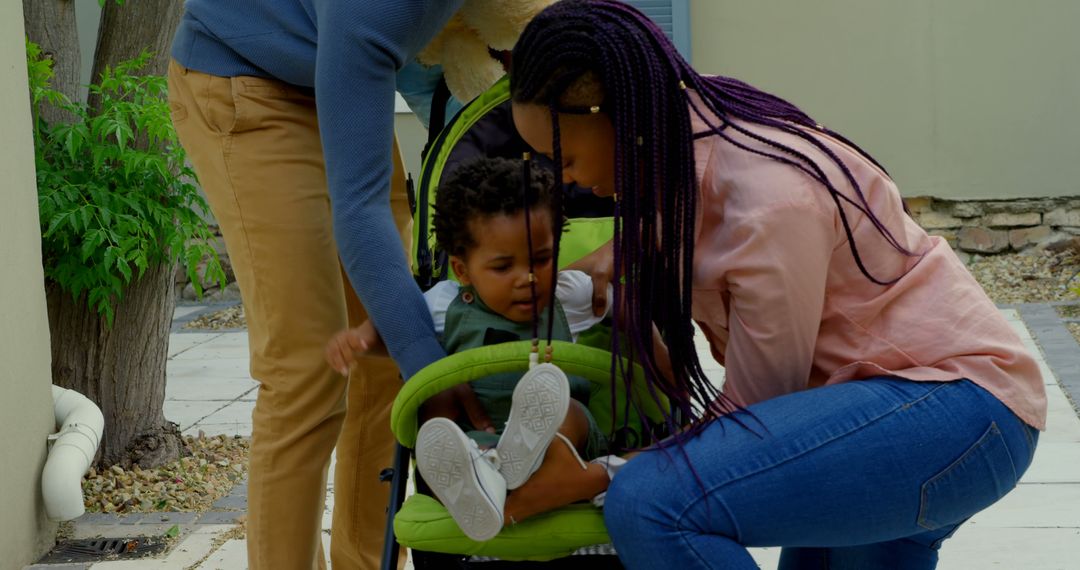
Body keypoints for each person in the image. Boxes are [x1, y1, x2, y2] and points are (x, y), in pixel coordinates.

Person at [506, 1, 1047, 568]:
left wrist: (599, 475)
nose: (561, 177)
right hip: (886, 409)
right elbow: (681, 220)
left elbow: (757, 409)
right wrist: (606, 264)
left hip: (950, 408)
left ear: (620, 113)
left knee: (652, 503)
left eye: (560, 156)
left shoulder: (769, 202)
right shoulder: (687, 123)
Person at [166, 2, 469, 569]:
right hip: (246, 79)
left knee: (382, 354)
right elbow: (359, 210)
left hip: (341, 74)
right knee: (305, 370)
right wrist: (435, 375)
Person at [327, 157, 619, 542]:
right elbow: (399, 329)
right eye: (503, 267)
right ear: (464, 271)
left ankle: (512, 468)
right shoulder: (447, 302)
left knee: (566, 409)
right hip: (483, 441)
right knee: (442, 422)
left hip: (562, 444)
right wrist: (363, 337)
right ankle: (480, 482)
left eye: (542, 259)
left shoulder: (568, 294)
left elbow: (630, 308)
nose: (527, 279)